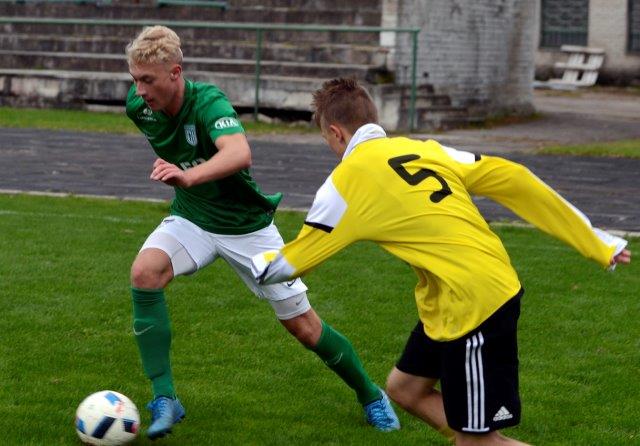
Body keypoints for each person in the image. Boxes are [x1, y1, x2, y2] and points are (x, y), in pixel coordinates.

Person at [250, 78, 632, 445]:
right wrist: (597, 242)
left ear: (336, 133)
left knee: (479, 443)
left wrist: (254, 258)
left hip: (475, 304)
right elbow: (514, 177)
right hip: (462, 295)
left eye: (326, 141)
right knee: (405, 388)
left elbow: (294, 260)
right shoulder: (426, 149)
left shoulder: (347, 180)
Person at [124, 28, 399, 439]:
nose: (139, 90)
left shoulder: (209, 102)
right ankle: (165, 398)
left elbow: (239, 153)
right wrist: (187, 183)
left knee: (304, 327)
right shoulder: (139, 106)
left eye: (148, 80)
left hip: (246, 228)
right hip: (193, 218)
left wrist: (189, 175)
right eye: (134, 79)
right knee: (144, 273)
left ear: (176, 73)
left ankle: (371, 395)